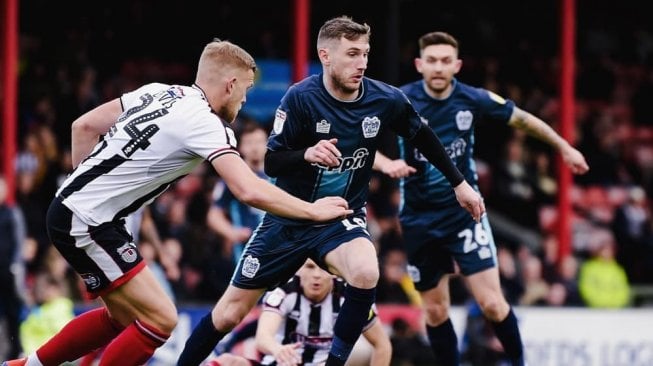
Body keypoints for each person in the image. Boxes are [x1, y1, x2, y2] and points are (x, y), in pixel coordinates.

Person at [2, 39, 353, 366]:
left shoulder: (158, 93)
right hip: (87, 219)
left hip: (77, 210)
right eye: (245, 91)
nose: (244, 100)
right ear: (230, 85)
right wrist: (312, 210)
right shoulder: (206, 123)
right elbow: (249, 190)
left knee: (123, 317)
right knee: (161, 319)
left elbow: (84, 125)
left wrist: (92, 191)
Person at [177, 17, 484, 366]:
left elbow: (424, 137)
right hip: (289, 218)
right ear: (325, 55)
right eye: (352, 54)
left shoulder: (385, 99)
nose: (362, 63)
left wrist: (460, 184)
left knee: (367, 270)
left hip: (341, 216)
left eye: (365, 53)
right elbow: (273, 162)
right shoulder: (301, 98)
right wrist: (307, 153)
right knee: (228, 315)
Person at [374, 31, 590, 365]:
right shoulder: (399, 99)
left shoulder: (472, 99)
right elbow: (353, 136)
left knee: (491, 303)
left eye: (446, 61)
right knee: (434, 309)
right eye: (431, 60)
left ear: (457, 65)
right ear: (419, 64)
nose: (438, 67)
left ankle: (518, 362)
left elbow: (523, 120)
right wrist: (386, 163)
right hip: (418, 217)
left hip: (464, 214)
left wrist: (563, 146)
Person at [210, 259, 392, 366]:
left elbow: (382, 346)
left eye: (324, 268)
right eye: (310, 267)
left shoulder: (351, 298)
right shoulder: (284, 292)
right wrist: (278, 350)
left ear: (335, 271)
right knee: (228, 361)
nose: (317, 275)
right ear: (298, 269)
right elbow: (263, 337)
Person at [207, 122, 269, 266]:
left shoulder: (278, 176)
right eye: (249, 143)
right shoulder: (233, 178)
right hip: (248, 249)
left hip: (277, 245)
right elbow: (213, 215)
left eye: (259, 142)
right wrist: (232, 233)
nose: (255, 147)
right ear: (241, 147)